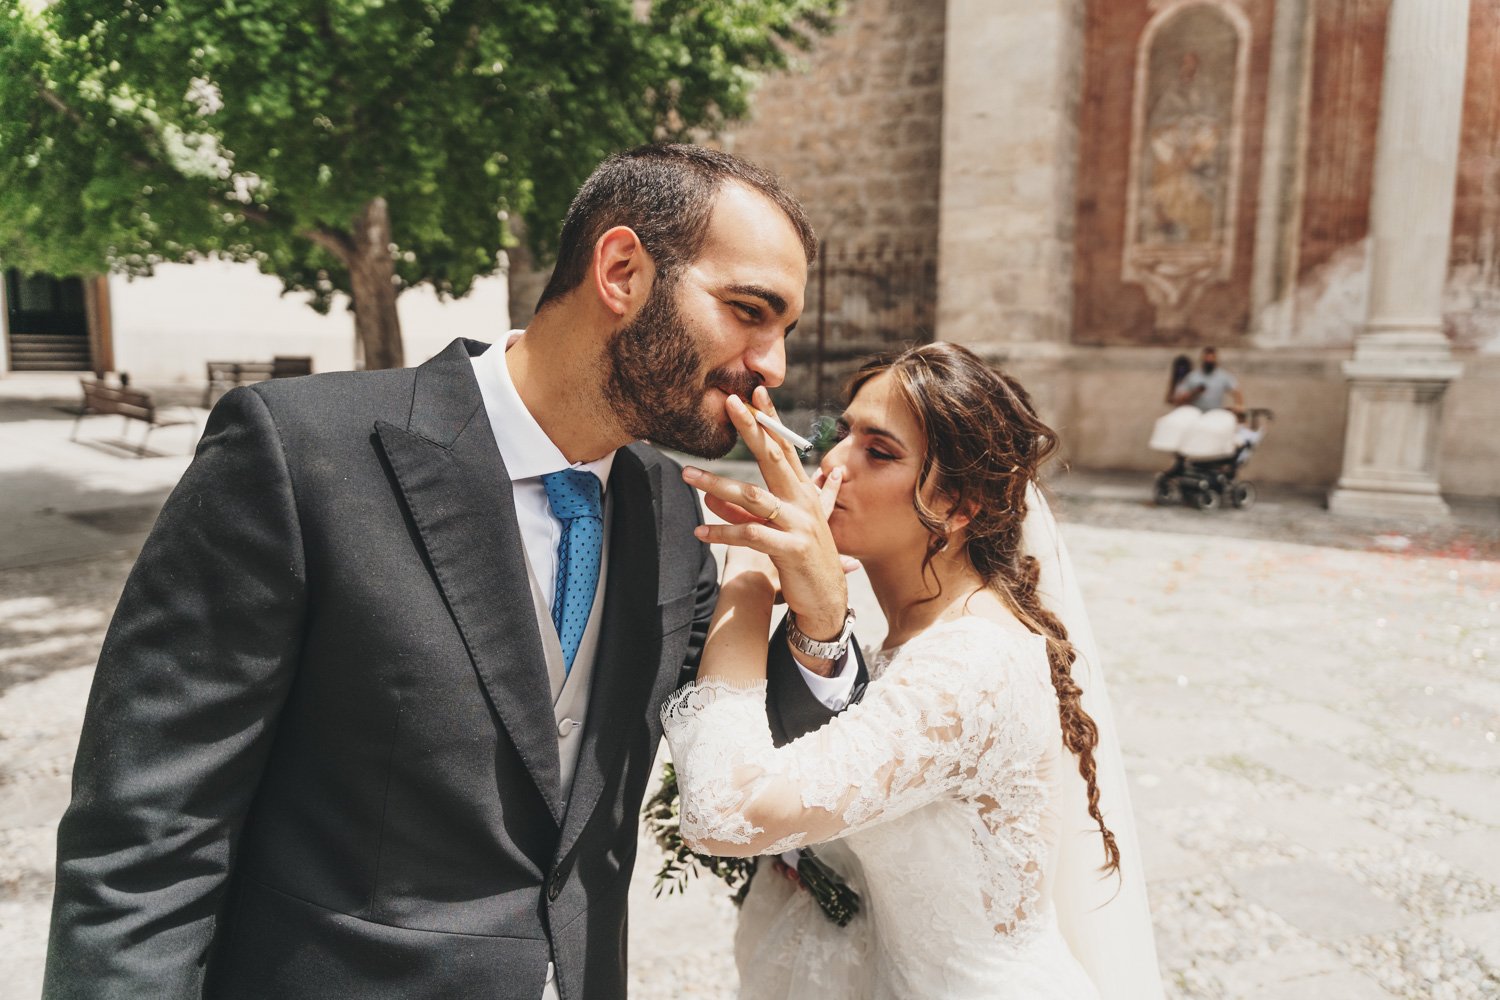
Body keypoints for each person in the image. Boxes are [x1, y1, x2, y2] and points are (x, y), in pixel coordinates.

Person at [42, 144, 866, 1000]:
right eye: (749, 311)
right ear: (621, 270)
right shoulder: (297, 453)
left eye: (784, 330)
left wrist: (818, 621)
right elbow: (147, 841)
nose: (772, 365)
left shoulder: (672, 509)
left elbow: (745, 759)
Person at [664, 343, 1164, 999]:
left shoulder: (971, 663)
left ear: (959, 508)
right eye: (842, 433)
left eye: (880, 451)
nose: (833, 462)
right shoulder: (927, 635)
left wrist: (752, 577)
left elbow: (726, 811)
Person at [1171, 345, 1243, 412]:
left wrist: (1238, 406)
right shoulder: (1193, 376)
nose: (1209, 361)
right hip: (1196, 414)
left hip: (1215, 414)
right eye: (1207, 359)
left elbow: (1236, 391)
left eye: (1212, 358)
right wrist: (1194, 393)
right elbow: (1179, 399)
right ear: (1202, 359)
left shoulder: (1223, 376)